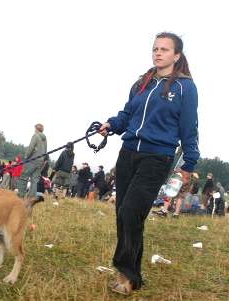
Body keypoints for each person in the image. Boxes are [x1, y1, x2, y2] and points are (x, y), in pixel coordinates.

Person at [99, 32, 199, 295]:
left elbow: (189, 127)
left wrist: (189, 163)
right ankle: (133, 275)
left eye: (165, 49)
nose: (158, 53)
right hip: (128, 152)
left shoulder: (185, 88)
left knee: (131, 211)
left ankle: (126, 272)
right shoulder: (141, 83)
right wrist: (111, 125)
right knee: (124, 213)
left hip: (157, 157)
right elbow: (127, 114)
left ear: (176, 56)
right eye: (155, 48)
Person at [17, 124, 47, 199]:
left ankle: (20, 195)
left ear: (36, 129)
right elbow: (45, 150)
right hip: (40, 161)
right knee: (34, 180)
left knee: (24, 177)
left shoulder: (35, 136)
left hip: (32, 160)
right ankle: (31, 197)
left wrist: (26, 156)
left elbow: (31, 147)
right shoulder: (45, 138)